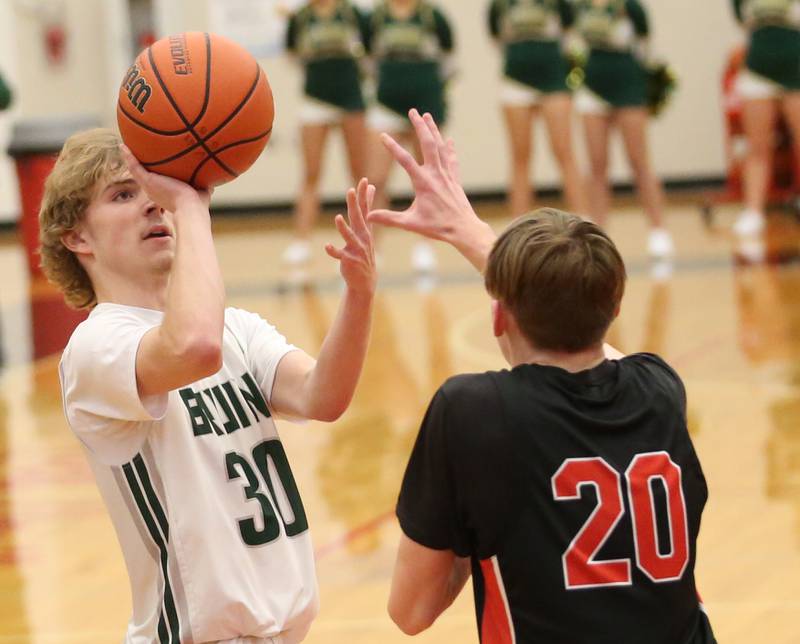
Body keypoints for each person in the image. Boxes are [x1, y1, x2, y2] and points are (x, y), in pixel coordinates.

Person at [368, 110, 717, 643]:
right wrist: (473, 236)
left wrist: (468, 522)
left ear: (497, 316)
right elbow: (598, 343)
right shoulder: (660, 389)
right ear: (615, 307)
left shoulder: (474, 410)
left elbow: (410, 611)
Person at [38, 128, 376, 643]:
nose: (154, 204)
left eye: (156, 190)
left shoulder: (235, 327)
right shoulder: (95, 348)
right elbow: (193, 347)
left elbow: (322, 397)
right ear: (78, 238)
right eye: (124, 194)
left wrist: (359, 293)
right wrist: (193, 207)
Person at [572, 0, 673, 258]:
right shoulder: (582, 6)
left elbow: (645, 45)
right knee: (596, 164)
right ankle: (597, 235)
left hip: (628, 86)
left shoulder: (631, 7)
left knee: (639, 161)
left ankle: (658, 229)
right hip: (593, 87)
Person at [364, 0, 454, 271]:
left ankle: (425, 246)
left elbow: (449, 62)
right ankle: (371, 248)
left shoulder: (433, 16)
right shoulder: (376, 18)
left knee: (426, 179)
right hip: (386, 105)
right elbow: (368, 61)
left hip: (426, 104)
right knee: (376, 179)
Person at [282, 0, 370, 266]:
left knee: (358, 174)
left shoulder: (352, 14)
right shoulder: (301, 17)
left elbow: (370, 52)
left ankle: (363, 241)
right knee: (311, 173)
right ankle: (301, 241)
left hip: (351, 99)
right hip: (314, 101)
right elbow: (293, 54)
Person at [488, 0, 588, 217]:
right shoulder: (501, 4)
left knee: (564, 152)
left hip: (554, 81)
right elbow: (496, 37)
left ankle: (583, 221)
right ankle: (518, 227)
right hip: (515, 81)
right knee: (520, 156)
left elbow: (570, 33)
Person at [731, 0, 800, 237]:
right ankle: (753, 211)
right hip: (758, 68)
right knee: (757, 145)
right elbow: (742, 19)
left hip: (796, 66)